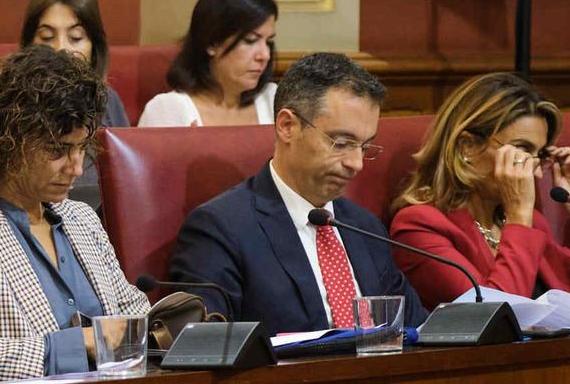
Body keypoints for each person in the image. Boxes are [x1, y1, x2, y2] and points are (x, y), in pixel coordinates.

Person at [0, 46, 148, 380]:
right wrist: (78, 344)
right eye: (58, 150)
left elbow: (132, 314)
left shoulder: (81, 218)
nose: (78, 168)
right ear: (7, 142)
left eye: (82, 147)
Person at [170, 52, 427, 332]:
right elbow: (207, 347)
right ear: (287, 126)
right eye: (341, 143)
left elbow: (417, 332)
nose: (356, 163)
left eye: (365, 147)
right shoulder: (221, 229)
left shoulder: (364, 228)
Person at [390, 72, 570, 306]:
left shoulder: (528, 222)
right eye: (522, 149)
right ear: (467, 147)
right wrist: (518, 215)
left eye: (540, 155)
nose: (535, 172)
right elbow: (495, 317)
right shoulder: (418, 227)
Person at [19, 0, 129, 206]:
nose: (61, 48)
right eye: (47, 37)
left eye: (76, 38)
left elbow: (124, 187)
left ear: (94, 48)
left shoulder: (108, 101)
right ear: (29, 44)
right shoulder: (12, 104)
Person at [137, 0, 278, 127]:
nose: (265, 55)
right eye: (250, 40)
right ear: (212, 42)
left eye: (268, 42)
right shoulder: (168, 110)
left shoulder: (274, 100)